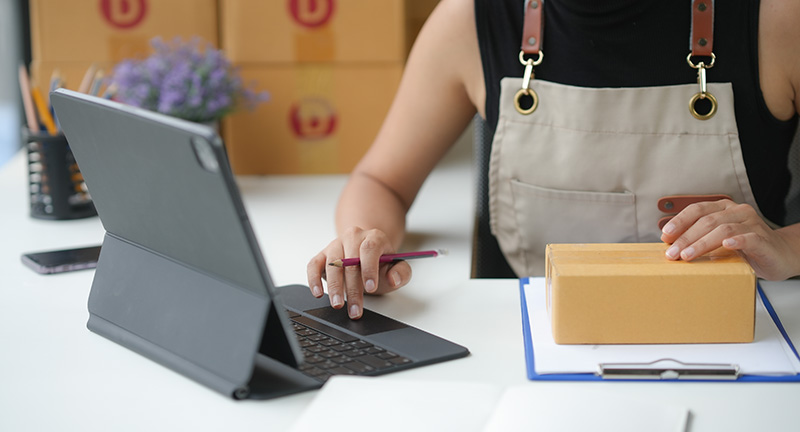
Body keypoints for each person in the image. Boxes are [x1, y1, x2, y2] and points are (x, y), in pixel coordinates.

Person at [307, 0, 800, 319]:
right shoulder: (470, 19)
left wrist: (787, 246)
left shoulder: (777, 19)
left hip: (735, 337)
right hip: (532, 351)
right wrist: (364, 241)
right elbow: (381, 180)